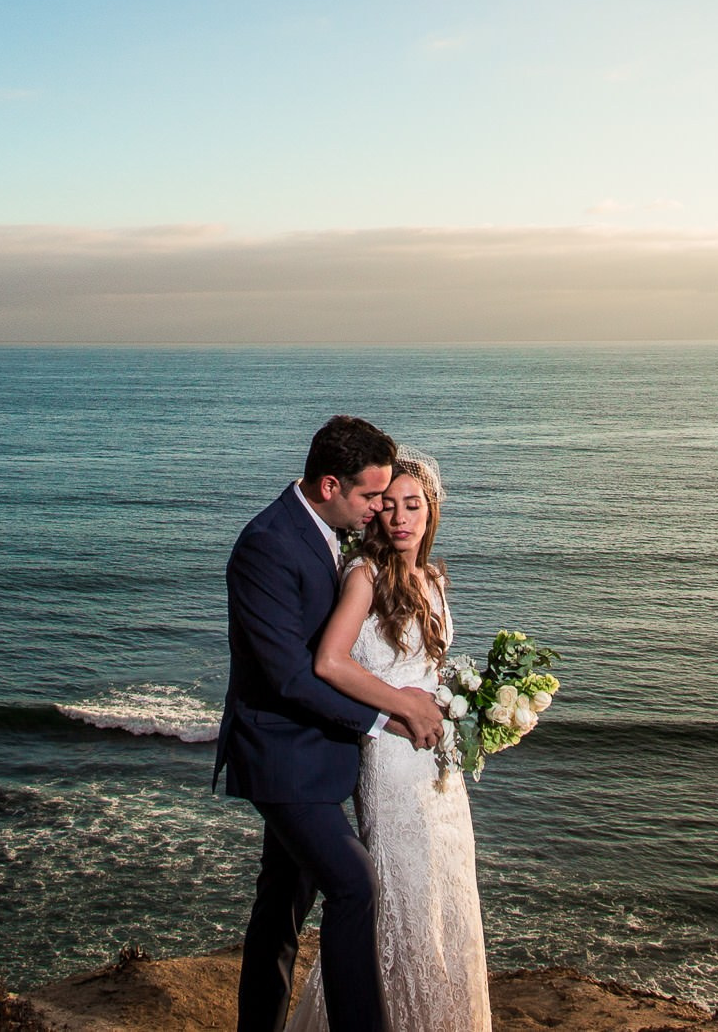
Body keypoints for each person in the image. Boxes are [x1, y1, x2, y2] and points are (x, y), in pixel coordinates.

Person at [219, 417, 446, 1032]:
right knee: (354, 886)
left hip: (321, 756)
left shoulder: (332, 532)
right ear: (329, 486)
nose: (379, 509)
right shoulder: (266, 543)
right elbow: (290, 675)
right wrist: (386, 714)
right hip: (280, 754)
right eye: (371, 496)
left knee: (280, 908)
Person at [283, 448, 489, 1032]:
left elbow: (430, 673)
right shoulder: (364, 575)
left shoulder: (434, 578)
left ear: (431, 512)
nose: (400, 518)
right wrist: (400, 705)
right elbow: (330, 662)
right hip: (392, 763)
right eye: (389, 505)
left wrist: (473, 711)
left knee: (445, 892)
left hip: (440, 766)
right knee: (403, 896)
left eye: (413, 505)